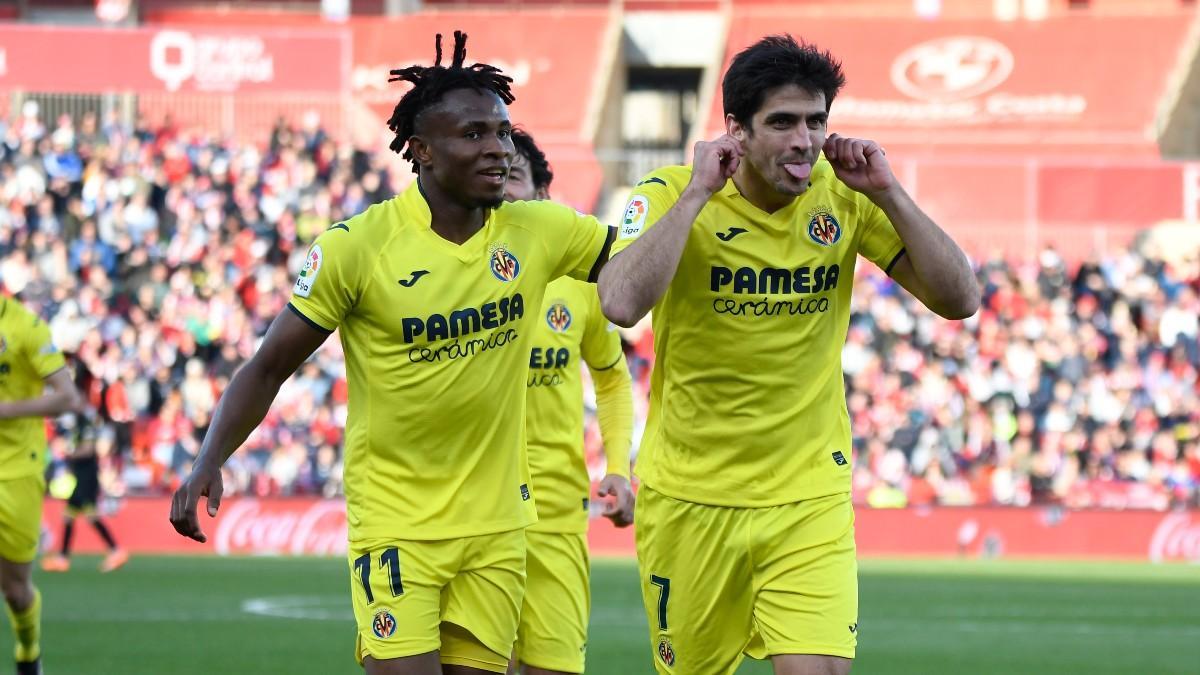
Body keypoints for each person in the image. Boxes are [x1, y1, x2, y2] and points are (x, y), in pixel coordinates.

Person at [168, 31, 616, 675]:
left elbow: (641, 258)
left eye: (503, 133)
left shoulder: (540, 230)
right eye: (474, 135)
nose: (497, 149)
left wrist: (704, 192)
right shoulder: (359, 248)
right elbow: (267, 367)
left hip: (496, 527)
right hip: (397, 524)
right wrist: (209, 459)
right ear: (423, 151)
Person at [597, 35, 980, 675]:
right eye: (782, 122)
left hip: (808, 492)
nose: (804, 139)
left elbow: (960, 297)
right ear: (735, 131)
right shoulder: (669, 193)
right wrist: (694, 198)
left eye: (816, 120)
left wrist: (889, 192)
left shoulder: (846, 193)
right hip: (691, 496)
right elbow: (618, 303)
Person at [503, 129, 635, 675]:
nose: (501, 188)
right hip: (475, 515)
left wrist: (619, 467)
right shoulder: (448, 279)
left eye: (512, 175)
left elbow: (611, 377)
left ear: (541, 195)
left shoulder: (578, 286)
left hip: (556, 516)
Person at [0, 295, 84, 675]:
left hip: (16, 471)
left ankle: (28, 651)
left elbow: (68, 397)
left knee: (16, 592)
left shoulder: (26, 328)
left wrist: (5, 411)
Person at [41, 355, 129, 574]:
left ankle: (115, 550)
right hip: (81, 469)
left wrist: (68, 452)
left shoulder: (85, 417)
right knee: (70, 514)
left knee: (89, 513)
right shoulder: (77, 417)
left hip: (87, 470)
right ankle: (63, 558)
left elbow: (89, 448)